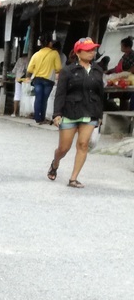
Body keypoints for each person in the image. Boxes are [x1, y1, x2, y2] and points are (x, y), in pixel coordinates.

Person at [48, 37, 105, 188]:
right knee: (64, 148)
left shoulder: (98, 70)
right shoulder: (68, 71)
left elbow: (100, 94)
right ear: (78, 52)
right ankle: (55, 163)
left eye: (93, 49)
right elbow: (60, 93)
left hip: (90, 111)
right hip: (69, 112)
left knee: (83, 144)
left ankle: (73, 178)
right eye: (88, 50)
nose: (92, 52)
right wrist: (57, 114)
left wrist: (100, 115)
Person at [26, 35, 62, 125]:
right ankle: (42, 117)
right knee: (44, 99)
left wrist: (37, 70)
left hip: (37, 79)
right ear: (50, 43)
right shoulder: (54, 53)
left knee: (38, 98)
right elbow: (58, 68)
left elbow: (29, 69)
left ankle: (37, 118)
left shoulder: (36, 54)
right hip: (48, 80)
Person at [11, 51, 30, 117]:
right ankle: (22, 113)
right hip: (26, 80)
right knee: (25, 95)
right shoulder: (29, 59)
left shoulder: (19, 59)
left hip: (18, 79)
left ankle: (14, 112)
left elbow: (13, 71)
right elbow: (29, 70)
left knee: (17, 95)